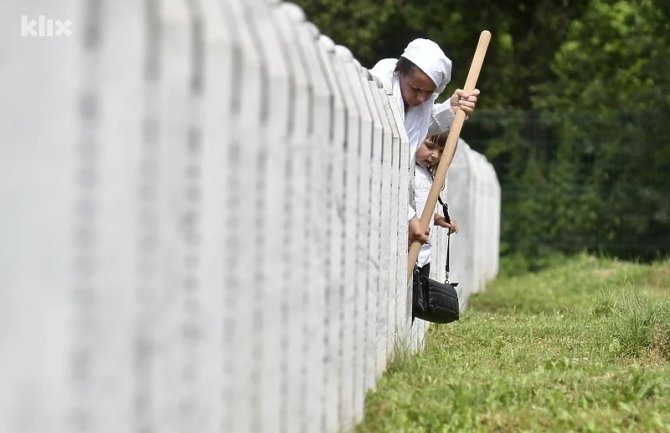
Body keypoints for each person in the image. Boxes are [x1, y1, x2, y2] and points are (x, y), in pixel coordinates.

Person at [369, 38, 478, 246]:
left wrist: (450, 109)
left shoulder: (419, 101)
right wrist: (409, 216)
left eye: (429, 93)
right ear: (400, 72)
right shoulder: (379, 91)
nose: (421, 98)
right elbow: (382, 161)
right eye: (416, 88)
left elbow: (414, 131)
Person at [414, 133, 459, 278]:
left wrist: (439, 219)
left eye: (441, 151)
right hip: (410, 252)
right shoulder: (410, 172)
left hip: (424, 255)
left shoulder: (427, 174)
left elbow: (421, 210)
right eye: (430, 146)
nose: (434, 155)